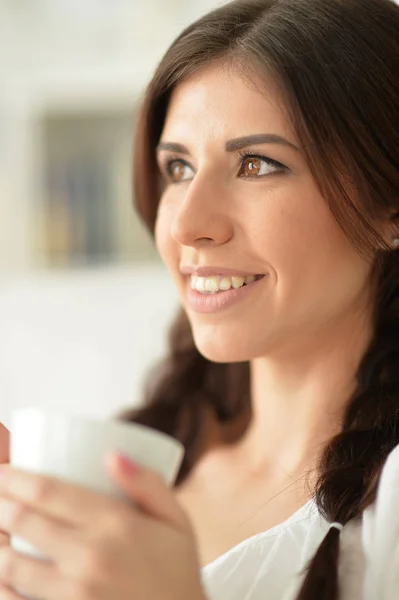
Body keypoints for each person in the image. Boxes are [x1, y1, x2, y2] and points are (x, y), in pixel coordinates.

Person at [0, 0, 398, 599]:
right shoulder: (133, 464)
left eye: (258, 164)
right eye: (178, 168)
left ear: (390, 209)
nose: (187, 225)